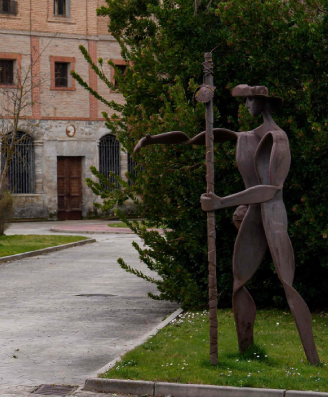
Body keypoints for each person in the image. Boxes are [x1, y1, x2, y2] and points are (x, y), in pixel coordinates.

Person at [134, 85, 319, 364]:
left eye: (249, 100)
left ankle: (313, 358)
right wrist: (152, 139)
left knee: (288, 284)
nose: (246, 105)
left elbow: (272, 189)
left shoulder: (278, 138)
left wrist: (222, 202)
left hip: (272, 215)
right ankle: (247, 352)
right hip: (251, 215)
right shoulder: (247, 137)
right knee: (238, 284)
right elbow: (198, 139)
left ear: (262, 102)